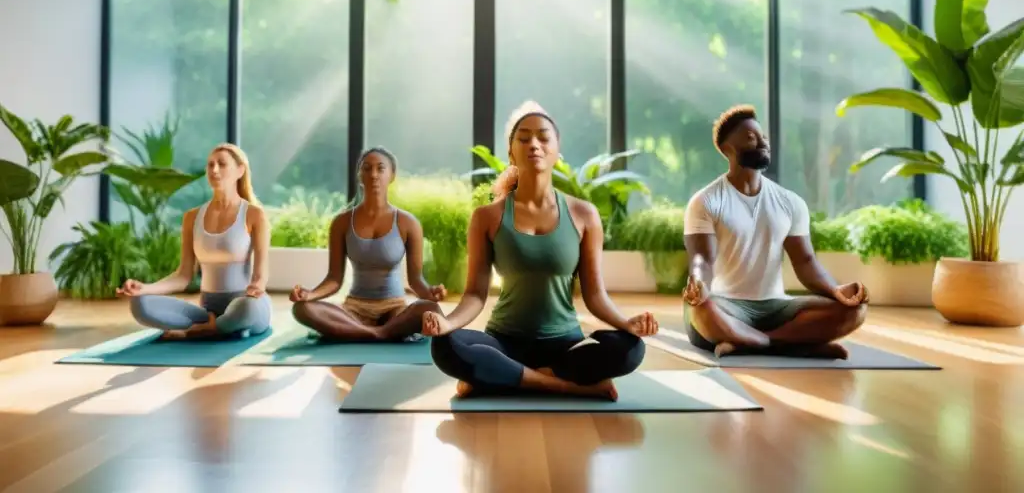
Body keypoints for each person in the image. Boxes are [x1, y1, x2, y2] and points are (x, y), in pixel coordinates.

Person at [423, 102, 657, 401]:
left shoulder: (584, 214)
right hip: (504, 342)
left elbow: (595, 295)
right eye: (523, 138)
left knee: (632, 349)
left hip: (566, 347)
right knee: (444, 345)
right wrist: (448, 323)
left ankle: (503, 377)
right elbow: (474, 295)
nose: (534, 144)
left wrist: (627, 323)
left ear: (557, 150)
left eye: (543, 137)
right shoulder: (487, 217)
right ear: (511, 153)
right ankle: (562, 385)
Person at [682, 105, 869, 359]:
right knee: (701, 311)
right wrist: (699, 284)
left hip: (775, 307)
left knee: (855, 310)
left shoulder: (790, 202)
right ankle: (797, 344)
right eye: (751, 138)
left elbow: (806, 262)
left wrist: (837, 291)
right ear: (728, 149)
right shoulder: (706, 201)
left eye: (763, 137)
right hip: (725, 306)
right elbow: (702, 259)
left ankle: (755, 342)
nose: (762, 143)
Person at [117, 143, 272, 340]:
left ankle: (200, 331)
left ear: (240, 170)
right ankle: (219, 327)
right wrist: (144, 288)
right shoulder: (192, 217)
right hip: (208, 309)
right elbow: (183, 276)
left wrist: (255, 289)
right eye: (210, 165)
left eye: (222, 164)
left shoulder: (254, 215)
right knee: (141, 304)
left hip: (246, 304)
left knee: (246, 308)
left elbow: (260, 276)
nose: (214, 170)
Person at [289, 147, 447, 341]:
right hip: (354, 309)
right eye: (366, 168)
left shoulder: (408, 223)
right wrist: (310, 295)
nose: (373, 174)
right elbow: (334, 280)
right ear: (359, 175)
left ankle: (360, 333)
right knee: (302, 309)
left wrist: (430, 294)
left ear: (392, 175)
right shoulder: (342, 222)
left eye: (380, 168)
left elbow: (416, 281)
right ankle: (382, 334)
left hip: (394, 308)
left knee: (430, 309)